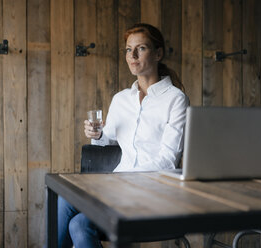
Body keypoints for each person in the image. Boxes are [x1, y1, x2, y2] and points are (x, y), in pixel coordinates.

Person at [57, 23, 189, 248]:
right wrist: (96, 134)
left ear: (158, 54)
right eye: (129, 50)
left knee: (74, 216)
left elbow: (168, 160)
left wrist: (117, 180)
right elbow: (107, 137)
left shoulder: (176, 99)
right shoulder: (121, 99)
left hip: (154, 193)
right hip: (116, 188)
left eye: (141, 49)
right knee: (75, 217)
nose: (133, 55)